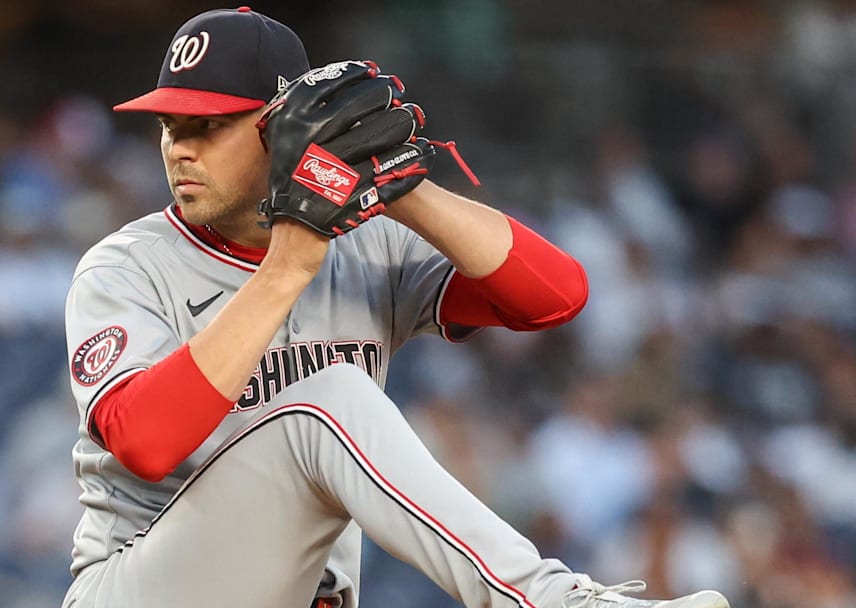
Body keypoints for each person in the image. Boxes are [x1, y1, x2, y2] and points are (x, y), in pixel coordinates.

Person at [62, 7, 731, 608]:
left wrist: (397, 182)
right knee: (326, 401)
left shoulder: (369, 247)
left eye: (207, 125)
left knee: (327, 402)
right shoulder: (126, 266)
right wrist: (287, 268)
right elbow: (145, 443)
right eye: (170, 124)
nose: (178, 145)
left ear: (283, 129)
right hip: (137, 586)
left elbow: (554, 297)